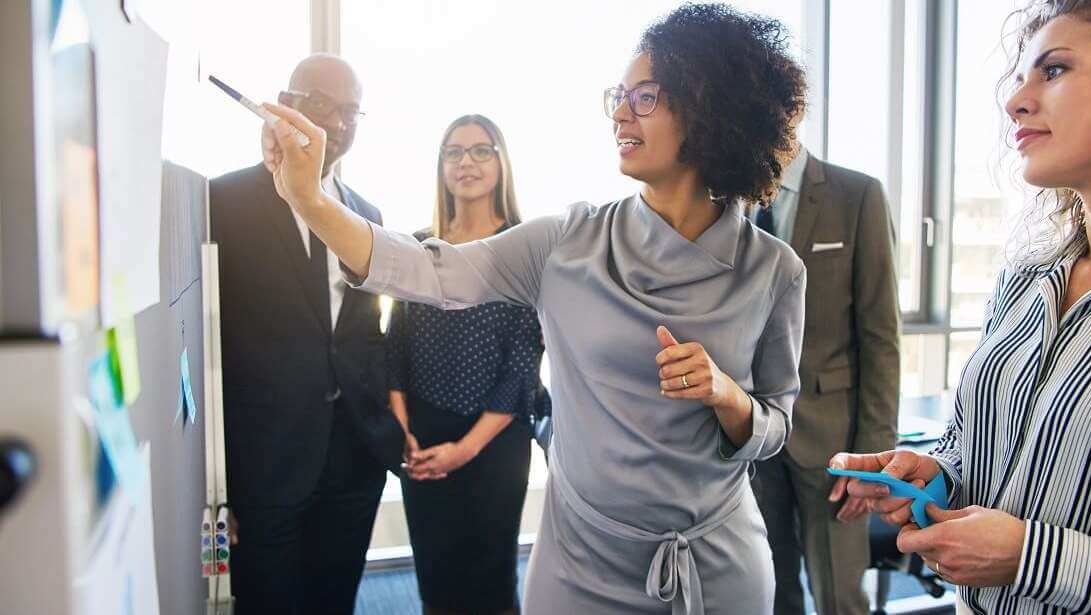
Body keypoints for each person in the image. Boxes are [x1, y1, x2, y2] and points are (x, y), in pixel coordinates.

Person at [261, 4, 808, 613]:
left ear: (709, 107)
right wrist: (309, 201)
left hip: (716, 567)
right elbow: (423, 269)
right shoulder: (565, 242)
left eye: (645, 97)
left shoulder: (775, 271)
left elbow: (775, 427)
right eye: (618, 96)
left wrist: (726, 395)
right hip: (580, 565)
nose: (622, 113)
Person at [829, 1, 1091, 613]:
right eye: (1023, 77)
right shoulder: (1025, 281)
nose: (1015, 102)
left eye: (1053, 71)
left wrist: (1036, 558)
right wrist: (938, 475)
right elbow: (977, 449)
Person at [211, 54, 403, 615]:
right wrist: (223, 482)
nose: (338, 124)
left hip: (354, 456)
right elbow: (214, 348)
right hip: (266, 462)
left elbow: (363, 333)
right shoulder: (225, 202)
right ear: (286, 102)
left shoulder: (367, 214)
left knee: (334, 600)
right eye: (322, 104)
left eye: (350, 112)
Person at [386, 114, 545, 615]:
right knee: (435, 576)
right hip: (423, 433)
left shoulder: (525, 247)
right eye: (454, 152)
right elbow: (396, 342)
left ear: (501, 162)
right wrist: (402, 431)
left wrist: (465, 449)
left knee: (490, 582)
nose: (466, 162)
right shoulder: (418, 245)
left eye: (481, 150)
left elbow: (523, 362)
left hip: (495, 440)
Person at [749, 147, 900, 614]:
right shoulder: (727, 197)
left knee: (839, 598)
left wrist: (872, 458)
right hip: (750, 434)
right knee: (768, 592)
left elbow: (880, 338)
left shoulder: (857, 195)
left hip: (834, 441)